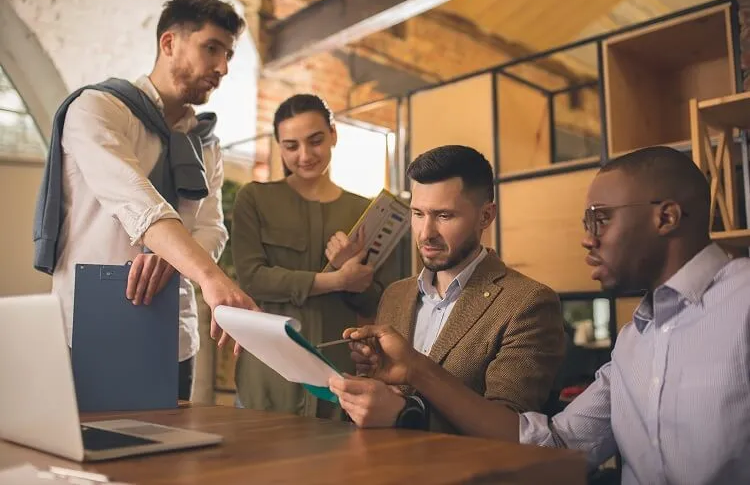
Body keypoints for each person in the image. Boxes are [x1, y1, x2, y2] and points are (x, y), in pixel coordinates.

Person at [332, 146, 750, 485]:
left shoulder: (741, 302)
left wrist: (411, 404)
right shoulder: (634, 341)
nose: (587, 239)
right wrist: (412, 376)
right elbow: (557, 443)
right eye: (419, 214)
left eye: (600, 219)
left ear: (666, 217)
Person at [36, 0, 257, 401]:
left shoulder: (206, 144)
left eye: (228, 55)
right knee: (88, 455)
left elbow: (212, 228)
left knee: (169, 456)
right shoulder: (97, 109)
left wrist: (173, 257)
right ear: (169, 43)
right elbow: (135, 199)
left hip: (173, 330)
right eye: (212, 49)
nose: (223, 68)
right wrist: (208, 274)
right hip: (89, 325)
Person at [329, 145, 566, 433]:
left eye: (444, 216)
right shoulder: (394, 294)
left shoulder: (528, 303)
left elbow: (510, 431)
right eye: (417, 213)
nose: (425, 232)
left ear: (486, 216)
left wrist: (406, 412)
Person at [230, 93, 401, 418]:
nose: (305, 155)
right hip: (267, 377)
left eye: (316, 141)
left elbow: (379, 303)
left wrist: (356, 282)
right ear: (279, 146)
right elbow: (254, 280)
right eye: (291, 146)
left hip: (338, 376)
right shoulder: (254, 199)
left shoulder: (364, 211)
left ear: (333, 134)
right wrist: (335, 278)